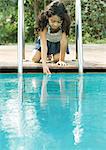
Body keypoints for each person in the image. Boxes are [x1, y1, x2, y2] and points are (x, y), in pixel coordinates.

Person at [32, 0, 71, 74]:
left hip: (58, 43)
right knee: (35, 58)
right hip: (46, 42)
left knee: (56, 59)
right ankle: (47, 55)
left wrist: (61, 60)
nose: (55, 24)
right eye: (53, 21)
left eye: (59, 22)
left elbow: (64, 41)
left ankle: (51, 55)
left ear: (62, 20)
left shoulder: (65, 22)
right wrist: (44, 63)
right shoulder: (43, 22)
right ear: (48, 17)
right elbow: (43, 44)